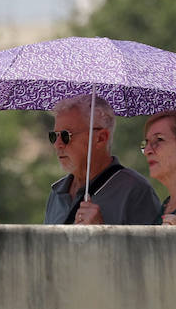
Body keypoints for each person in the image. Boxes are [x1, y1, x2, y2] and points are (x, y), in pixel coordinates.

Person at [44, 94, 160, 225]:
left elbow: (153, 239)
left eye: (66, 135)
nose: (57, 144)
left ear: (100, 138)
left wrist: (101, 230)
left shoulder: (136, 191)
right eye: (54, 136)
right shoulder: (57, 192)